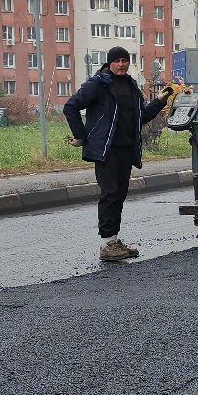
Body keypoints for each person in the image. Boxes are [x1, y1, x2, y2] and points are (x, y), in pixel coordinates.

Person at [63, 46, 173, 262]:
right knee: (110, 193)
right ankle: (106, 244)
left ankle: (113, 240)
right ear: (110, 62)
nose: (121, 64)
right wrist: (81, 135)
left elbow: (140, 117)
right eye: (117, 60)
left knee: (119, 195)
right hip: (106, 149)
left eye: (125, 60)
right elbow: (71, 107)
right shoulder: (98, 84)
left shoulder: (131, 86)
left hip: (126, 149)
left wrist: (160, 101)